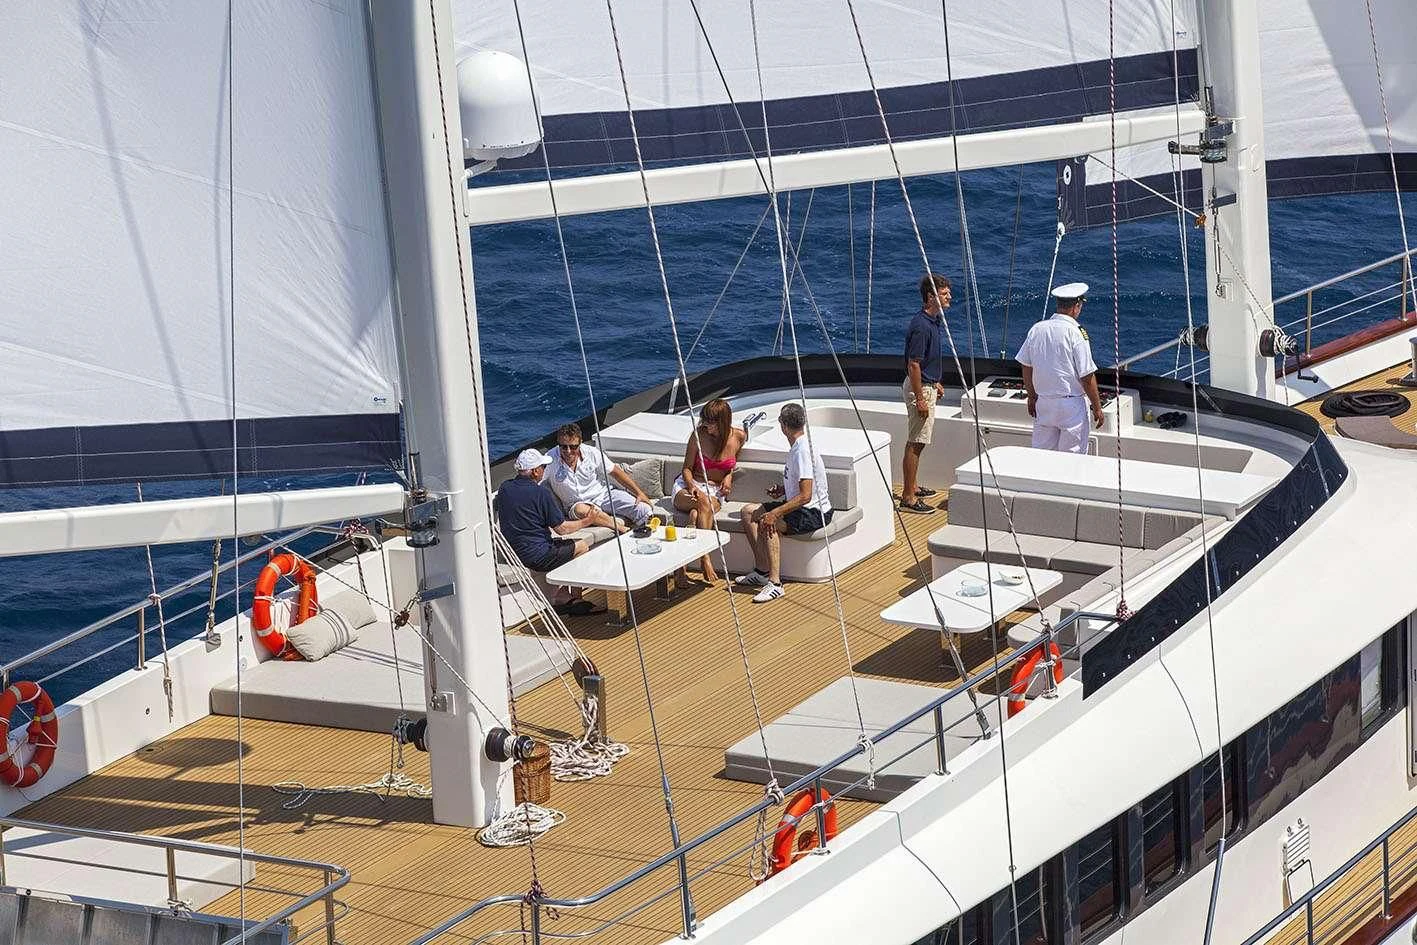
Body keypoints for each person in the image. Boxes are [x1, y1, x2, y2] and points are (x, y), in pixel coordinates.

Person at [734, 403, 833, 604]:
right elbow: (801, 485)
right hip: (802, 506)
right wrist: (782, 490)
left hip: (813, 512)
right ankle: (762, 570)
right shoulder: (798, 447)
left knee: (768, 520)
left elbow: (806, 496)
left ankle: (775, 583)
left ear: (784, 427)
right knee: (748, 513)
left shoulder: (802, 451)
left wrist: (775, 513)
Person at [494, 449, 604, 615]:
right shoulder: (541, 493)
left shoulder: (505, 488)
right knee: (581, 546)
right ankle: (574, 600)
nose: (544, 471)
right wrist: (587, 520)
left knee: (561, 547)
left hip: (514, 553)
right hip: (538, 556)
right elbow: (562, 529)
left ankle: (561, 594)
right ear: (535, 471)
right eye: (543, 467)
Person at [1015, 282, 1105, 453]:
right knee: (1072, 460)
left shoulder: (1037, 329)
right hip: (1071, 406)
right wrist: (1097, 408)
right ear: (1076, 307)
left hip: (1044, 403)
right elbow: (1087, 377)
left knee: (1042, 456)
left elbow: (1026, 365)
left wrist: (1032, 397)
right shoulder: (1076, 333)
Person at [672, 398, 747, 583]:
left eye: (710, 422)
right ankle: (704, 556)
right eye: (704, 421)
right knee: (704, 502)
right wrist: (692, 487)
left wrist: (728, 477)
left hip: (714, 490)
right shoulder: (698, 435)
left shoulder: (739, 436)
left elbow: (730, 464)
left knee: (699, 511)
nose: (705, 426)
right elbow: (686, 468)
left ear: (723, 421)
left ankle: (693, 520)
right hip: (688, 485)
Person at [900, 273, 950, 513]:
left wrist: (935, 382)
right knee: (916, 443)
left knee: (918, 441)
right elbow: (914, 365)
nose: (949, 296)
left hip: (927, 385)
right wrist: (920, 397)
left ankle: (914, 486)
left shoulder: (932, 321)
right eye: (944, 293)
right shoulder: (922, 326)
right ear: (931, 297)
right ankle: (908, 497)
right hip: (920, 389)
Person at [546, 422, 655, 528]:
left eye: (573, 447)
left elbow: (615, 472)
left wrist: (639, 493)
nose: (568, 451)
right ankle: (620, 528)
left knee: (644, 510)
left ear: (580, 443)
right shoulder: (549, 460)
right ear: (558, 443)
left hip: (603, 496)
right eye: (564, 447)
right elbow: (534, 480)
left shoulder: (592, 453)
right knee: (581, 510)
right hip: (576, 505)